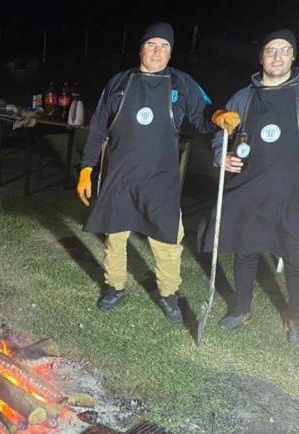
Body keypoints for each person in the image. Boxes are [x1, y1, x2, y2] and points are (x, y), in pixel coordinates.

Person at [76, 22, 237, 324]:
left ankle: (169, 294)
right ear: (141, 48)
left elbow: (203, 116)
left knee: (167, 241)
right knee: (115, 237)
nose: (158, 51)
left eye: (165, 46)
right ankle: (115, 286)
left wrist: (218, 117)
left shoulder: (181, 82)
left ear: (171, 52)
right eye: (152, 45)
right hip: (120, 178)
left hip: (160, 180)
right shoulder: (118, 82)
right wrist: (86, 168)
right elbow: (98, 128)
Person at [203, 28, 299, 346]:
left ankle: (296, 319)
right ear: (261, 57)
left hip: (292, 187)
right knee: (245, 250)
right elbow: (220, 134)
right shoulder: (244, 96)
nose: (278, 56)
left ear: (294, 56)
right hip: (251, 185)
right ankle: (241, 310)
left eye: (284, 50)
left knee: (297, 256)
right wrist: (221, 156)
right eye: (271, 51)